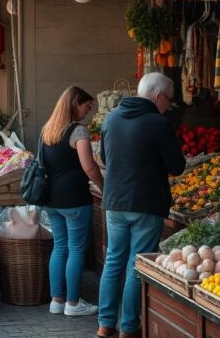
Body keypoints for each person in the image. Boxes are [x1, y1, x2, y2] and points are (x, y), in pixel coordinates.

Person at [97, 73, 186, 338]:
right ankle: (128, 327)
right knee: (136, 264)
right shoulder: (158, 124)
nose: (169, 106)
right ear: (158, 97)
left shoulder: (111, 119)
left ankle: (105, 324)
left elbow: (104, 157)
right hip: (146, 202)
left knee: (113, 261)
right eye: (168, 100)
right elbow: (177, 166)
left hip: (114, 201)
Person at [41, 86, 102, 317]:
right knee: (76, 250)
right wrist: (103, 187)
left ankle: (57, 301)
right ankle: (73, 303)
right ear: (75, 103)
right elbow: (89, 166)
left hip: (51, 199)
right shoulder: (78, 132)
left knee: (59, 247)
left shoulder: (48, 130)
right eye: (86, 106)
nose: (87, 111)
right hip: (75, 200)